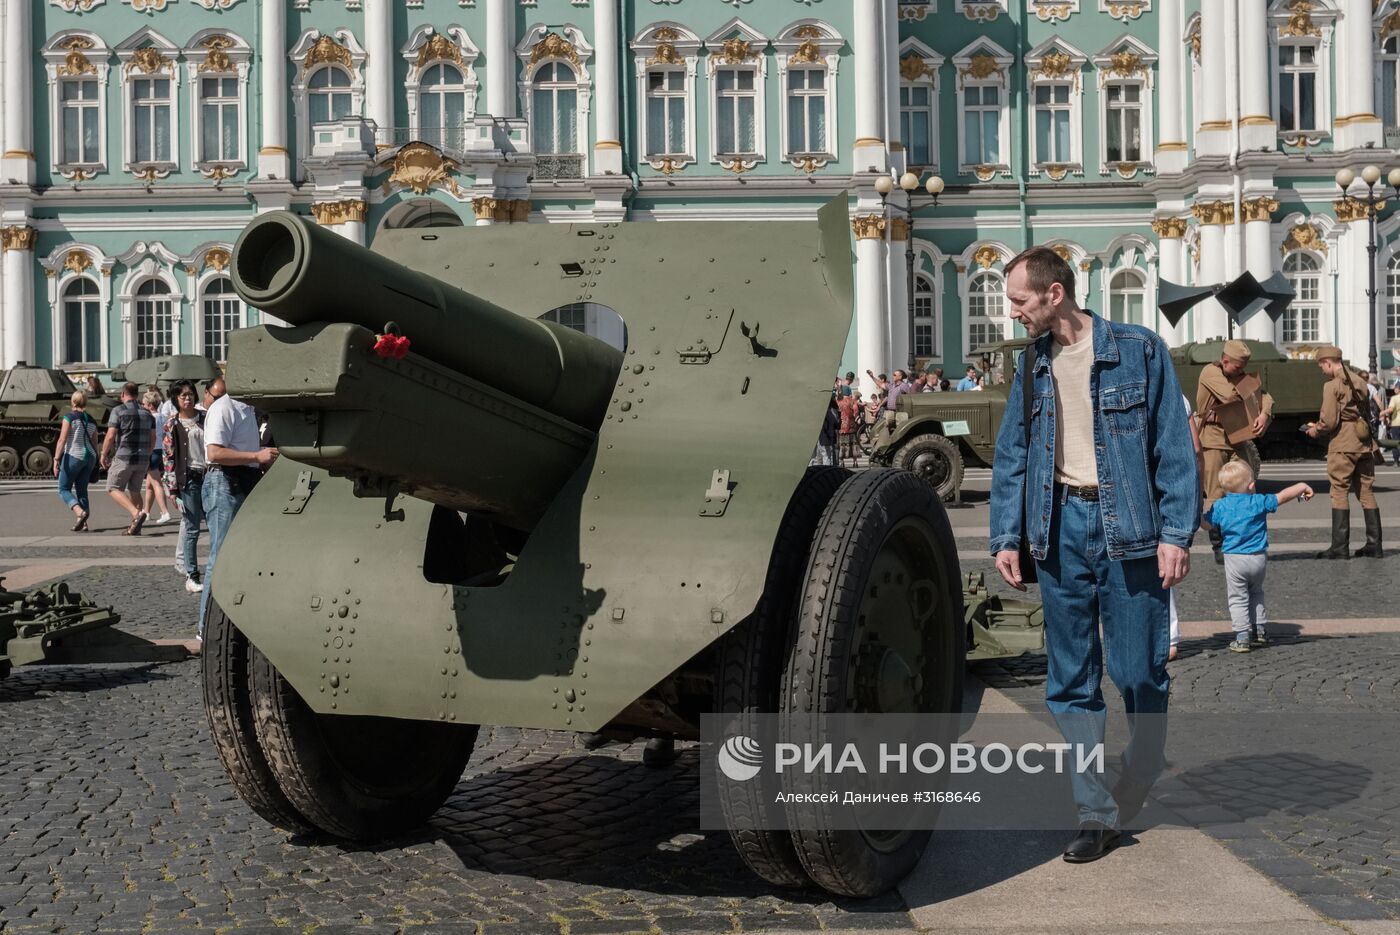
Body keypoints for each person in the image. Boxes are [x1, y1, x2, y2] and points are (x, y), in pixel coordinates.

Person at [989, 246, 1198, 863]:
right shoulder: (1030, 367)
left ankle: (1141, 763)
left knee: (1138, 672)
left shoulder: (1139, 351)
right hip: (1057, 530)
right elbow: (1014, 454)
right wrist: (1007, 535)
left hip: (1130, 529)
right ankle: (1094, 812)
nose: (1013, 313)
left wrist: (1176, 534)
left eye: (1019, 301)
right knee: (1070, 679)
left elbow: (1173, 448)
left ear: (1055, 295)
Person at [1205, 461, 1313, 654]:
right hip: (1258, 557)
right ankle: (1260, 631)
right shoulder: (1258, 502)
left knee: (1238, 597)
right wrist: (1302, 486)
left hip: (1234, 558)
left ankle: (1242, 637)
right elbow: (1283, 496)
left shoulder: (1220, 506)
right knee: (1256, 592)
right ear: (1251, 485)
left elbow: (1206, 525)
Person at [198, 378, 279, 635]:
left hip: (243, 479)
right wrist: (256, 456)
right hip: (225, 481)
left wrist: (259, 459)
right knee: (219, 558)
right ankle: (206, 627)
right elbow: (214, 453)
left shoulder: (248, 410)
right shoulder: (224, 408)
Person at [1194, 341, 1273, 565]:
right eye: (1237, 368)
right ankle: (1219, 546)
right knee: (1215, 494)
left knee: (1243, 490)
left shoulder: (1236, 375)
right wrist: (1252, 391)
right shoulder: (1210, 371)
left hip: (1237, 439)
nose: (1241, 372)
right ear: (1225, 360)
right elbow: (1232, 397)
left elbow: (1266, 397)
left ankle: (1237, 540)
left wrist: (1264, 414)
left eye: (1242, 369)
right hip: (1213, 440)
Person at [1305, 347, 1383, 559]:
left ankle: (1339, 548)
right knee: (1366, 492)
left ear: (1329, 362)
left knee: (1339, 490)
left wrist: (1315, 430)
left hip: (1343, 443)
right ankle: (1374, 545)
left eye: (1322, 365)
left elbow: (1329, 421)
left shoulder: (1332, 386)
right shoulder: (1360, 381)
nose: (1322, 370)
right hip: (1364, 443)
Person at [163, 381, 207, 594]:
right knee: (192, 527)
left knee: (216, 524)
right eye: (183, 396)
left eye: (190, 394)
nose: (187, 398)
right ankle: (192, 574)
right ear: (176, 400)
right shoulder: (172, 423)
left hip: (210, 475)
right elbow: (168, 457)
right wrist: (172, 489)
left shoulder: (205, 418)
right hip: (188, 479)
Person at [99, 382, 156, 535]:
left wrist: (104, 454)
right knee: (135, 491)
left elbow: (111, 435)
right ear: (137, 394)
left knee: (113, 487)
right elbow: (153, 438)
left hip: (124, 457)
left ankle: (137, 514)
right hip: (143, 459)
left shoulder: (118, 410)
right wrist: (148, 453)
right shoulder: (147, 413)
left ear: (123, 394)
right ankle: (135, 526)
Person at [52, 390, 99, 531]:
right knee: (82, 490)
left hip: (73, 455)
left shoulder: (69, 417)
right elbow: (95, 442)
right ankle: (83, 523)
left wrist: (56, 459)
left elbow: (62, 439)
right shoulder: (91, 419)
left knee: (63, 489)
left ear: (73, 402)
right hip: (89, 457)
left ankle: (80, 512)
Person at [140, 389, 172, 526]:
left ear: (150, 405)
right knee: (149, 485)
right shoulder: (162, 416)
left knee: (156, 484)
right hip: (160, 452)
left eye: (144, 404)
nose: (142, 406)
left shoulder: (149, 418)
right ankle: (146, 512)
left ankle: (165, 512)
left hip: (152, 452)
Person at [837, 389, 861, 467]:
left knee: (842, 444)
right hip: (851, 426)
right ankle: (855, 462)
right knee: (853, 444)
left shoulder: (839, 401)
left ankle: (841, 462)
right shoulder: (853, 401)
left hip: (842, 426)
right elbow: (856, 412)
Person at [1383, 388, 1400, 468]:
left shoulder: (1394, 398)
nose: (1394, 389)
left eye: (1396, 388)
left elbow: (1391, 409)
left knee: (1395, 442)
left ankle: (1396, 461)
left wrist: (1382, 413)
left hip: (1396, 423)